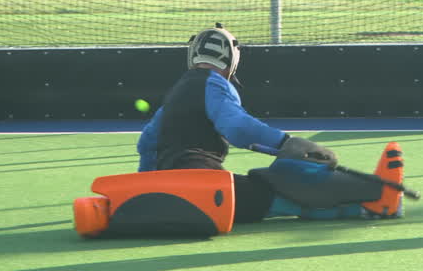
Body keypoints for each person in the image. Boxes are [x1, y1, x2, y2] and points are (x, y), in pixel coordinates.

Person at [135, 23, 406, 225]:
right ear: (231, 58)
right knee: (282, 178)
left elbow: (146, 143)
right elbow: (238, 128)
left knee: (270, 197)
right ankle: (377, 195)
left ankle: (367, 205)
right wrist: (287, 144)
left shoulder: (177, 92)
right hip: (203, 187)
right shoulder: (214, 83)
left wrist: (146, 192)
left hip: (171, 189)